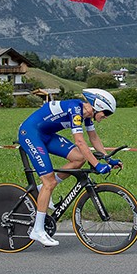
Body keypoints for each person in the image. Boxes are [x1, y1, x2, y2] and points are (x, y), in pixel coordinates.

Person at [18, 88, 121, 247]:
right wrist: (96, 164)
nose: (106, 117)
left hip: (46, 135)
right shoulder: (75, 109)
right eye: (106, 113)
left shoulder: (86, 115)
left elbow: (93, 138)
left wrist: (108, 159)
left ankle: (41, 189)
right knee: (49, 182)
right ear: (98, 106)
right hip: (30, 133)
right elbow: (80, 141)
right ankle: (37, 230)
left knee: (78, 158)